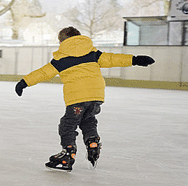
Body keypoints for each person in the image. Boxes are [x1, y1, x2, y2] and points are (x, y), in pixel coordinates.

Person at [15, 26, 155, 171]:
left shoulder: (60, 59)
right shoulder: (93, 54)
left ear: (62, 41)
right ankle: (92, 142)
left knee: (67, 125)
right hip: (96, 96)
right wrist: (136, 59)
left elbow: (43, 73)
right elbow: (113, 59)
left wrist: (24, 82)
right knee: (88, 120)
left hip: (76, 98)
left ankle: (68, 154)